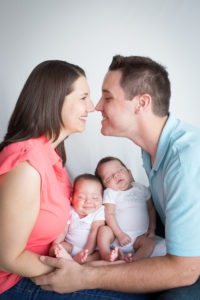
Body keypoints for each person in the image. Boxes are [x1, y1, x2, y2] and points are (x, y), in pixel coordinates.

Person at [32, 55, 200, 299]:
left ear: (141, 104)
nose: (97, 106)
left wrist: (83, 276)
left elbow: (186, 270)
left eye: (107, 97)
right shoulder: (151, 149)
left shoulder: (184, 159)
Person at [0, 60, 148, 300]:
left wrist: (93, 264)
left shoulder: (52, 155)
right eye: (83, 97)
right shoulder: (26, 165)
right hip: (17, 280)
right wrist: (80, 273)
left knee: (140, 282)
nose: (91, 107)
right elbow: (7, 257)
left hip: (60, 261)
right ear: (55, 100)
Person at [95, 156, 166, 262]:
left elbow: (151, 210)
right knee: (104, 231)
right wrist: (119, 234)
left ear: (129, 172)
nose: (116, 175)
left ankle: (134, 260)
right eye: (109, 177)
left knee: (150, 244)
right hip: (115, 236)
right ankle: (105, 254)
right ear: (105, 186)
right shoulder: (111, 193)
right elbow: (109, 214)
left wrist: (151, 229)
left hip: (139, 237)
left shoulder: (140, 188)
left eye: (119, 170)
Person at [50, 173, 105, 264]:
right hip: (72, 247)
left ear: (102, 199)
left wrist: (86, 252)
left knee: (101, 254)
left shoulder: (99, 211)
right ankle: (71, 259)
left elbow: (95, 231)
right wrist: (56, 244)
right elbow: (64, 230)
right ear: (72, 198)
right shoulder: (70, 211)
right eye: (81, 197)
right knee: (58, 248)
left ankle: (75, 261)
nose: (88, 201)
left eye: (95, 198)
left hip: (91, 250)